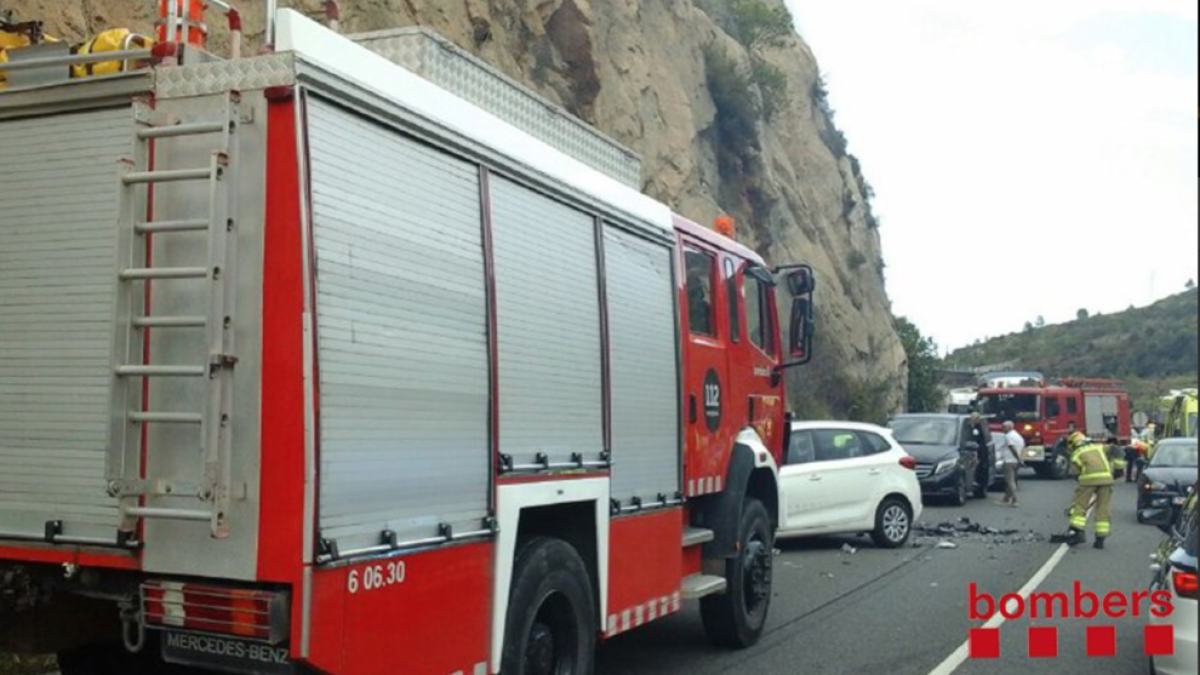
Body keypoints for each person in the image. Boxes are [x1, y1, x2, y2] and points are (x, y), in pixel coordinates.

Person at [1063, 431, 1115, 549]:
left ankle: (1077, 532)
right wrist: (1117, 470)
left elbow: (1076, 473)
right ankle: (1100, 540)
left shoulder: (1076, 454)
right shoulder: (1099, 447)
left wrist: (1080, 484)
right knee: (1103, 507)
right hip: (1107, 479)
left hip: (1088, 480)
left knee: (1080, 505)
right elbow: (1116, 450)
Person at [998, 421, 1025, 506]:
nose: (1002, 429)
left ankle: (1015, 500)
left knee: (1010, 481)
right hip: (1015, 462)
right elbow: (1023, 447)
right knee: (1010, 480)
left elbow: (1011, 447)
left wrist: (1018, 458)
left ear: (1009, 427)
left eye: (1004, 427)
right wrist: (1021, 459)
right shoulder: (1018, 436)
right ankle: (1006, 498)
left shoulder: (1008, 436)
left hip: (1009, 460)